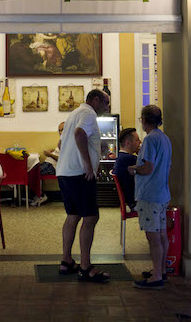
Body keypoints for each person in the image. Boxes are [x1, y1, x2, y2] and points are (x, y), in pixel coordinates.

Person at [56, 89, 111, 282]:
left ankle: (66, 261)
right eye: (106, 102)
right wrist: (88, 164)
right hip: (80, 175)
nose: (107, 107)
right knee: (90, 217)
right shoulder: (89, 113)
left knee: (73, 216)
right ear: (95, 100)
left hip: (65, 172)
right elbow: (80, 134)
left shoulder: (74, 113)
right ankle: (86, 267)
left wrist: (97, 147)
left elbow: (62, 144)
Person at [128, 104, 172, 290]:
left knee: (153, 237)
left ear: (144, 119)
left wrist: (134, 169)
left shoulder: (149, 140)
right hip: (162, 193)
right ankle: (160, 271)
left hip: (149, 195)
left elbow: (147, 168)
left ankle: (156, 277)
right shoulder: (164, 138)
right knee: (161, 234)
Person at [113, 127, 141, 211]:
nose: (140, 142)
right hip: (136, 202)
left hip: (129, 201)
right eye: (137, 140)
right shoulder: (130, 159)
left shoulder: (120, 158)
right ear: (128, 143)